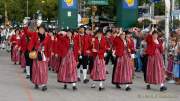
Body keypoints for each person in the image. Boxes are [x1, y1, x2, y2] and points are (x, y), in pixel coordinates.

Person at [28, 25, 51, 91]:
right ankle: (36, 82)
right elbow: (31, 43)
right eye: (40, 29)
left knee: (44, 70)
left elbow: (49, 47)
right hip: (37, 55)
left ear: (45, 30)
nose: (41, 30)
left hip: (44, 55)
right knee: (37, 69)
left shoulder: (47, 37)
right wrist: (31, 50)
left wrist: (49, 56)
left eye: (42, 29)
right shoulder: (35, 35)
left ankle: (44, 84)